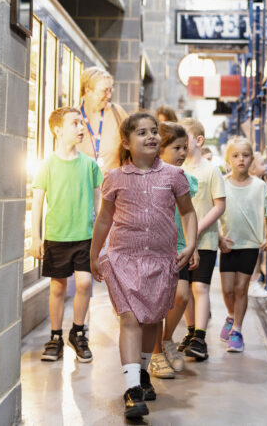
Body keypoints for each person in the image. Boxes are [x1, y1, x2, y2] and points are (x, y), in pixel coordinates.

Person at [90, 113, 198, 419]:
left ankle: (142, 371)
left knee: (152, 320)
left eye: (153, 132)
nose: (150, 136)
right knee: (130, 319)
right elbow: (104, 219)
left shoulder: (175, 176)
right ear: (126, 142)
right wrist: (94, 254)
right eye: (141, 132)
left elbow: (188, 212)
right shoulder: (114, 178)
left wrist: (190, 244)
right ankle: (132, 389)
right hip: (123, 259)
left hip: (162, 260)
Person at [28, 106, 103, 363]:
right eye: (75, 123)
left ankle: (78, 332)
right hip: (56, 236)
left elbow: (99, 203)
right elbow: (37, 202)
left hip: (84, 236)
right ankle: (56, 336)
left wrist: (102, 238)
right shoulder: (46, 164)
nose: (81, 128)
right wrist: (36, 237)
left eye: (82, 123)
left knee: (84, 283)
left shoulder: (90, 165)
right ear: (58, 130)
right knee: (57, 287)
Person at [150, 122, 200, 378]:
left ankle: (167, 339)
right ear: (161, 149)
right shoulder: (150, 178)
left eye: (185, 148)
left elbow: (189, 214)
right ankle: (157, 352)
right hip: (156, 250)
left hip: (179, 248)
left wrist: (193, 246)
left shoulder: (186, 179)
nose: (182, 153)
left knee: (181, 296)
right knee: (157, 304)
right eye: (176, 148)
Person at [217, 137, 267, 352]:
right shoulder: (221, 183)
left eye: (246, 155)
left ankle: (237, 331)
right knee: (227, 289)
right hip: (228, 243)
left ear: (252, 159)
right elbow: (213, 213)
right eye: (236, 155)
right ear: (228, 159)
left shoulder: (260, 186)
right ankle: (231, 316)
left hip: (250, 243)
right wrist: (219, 238)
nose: (241, 159)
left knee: (241, 288)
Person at [179, 117, 226, 361]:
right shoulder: (176, 170)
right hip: (180, 242)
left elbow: (219, 205)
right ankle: (189, 331)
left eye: (183, 139)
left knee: (200, 286)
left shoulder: (211, 170)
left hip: (204, 240)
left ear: (198, 140)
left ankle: (200, 336)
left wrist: (197, 229)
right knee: (184, 289)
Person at [77, 67, 126, 173]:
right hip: (81, 187)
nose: (109, 95)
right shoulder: (73, 117)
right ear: (88, 90)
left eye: (110, 90)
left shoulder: (117, 112)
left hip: (113, 187)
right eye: (104, 91)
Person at [247, 151, 267, 298]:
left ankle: (252, 283)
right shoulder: (257, 185)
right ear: (253, 169)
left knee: (255, 256)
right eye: (263, 164)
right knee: (253, 256)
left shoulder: (260, 184)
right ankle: (252, 283)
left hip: (255, 228)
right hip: (253, 229)